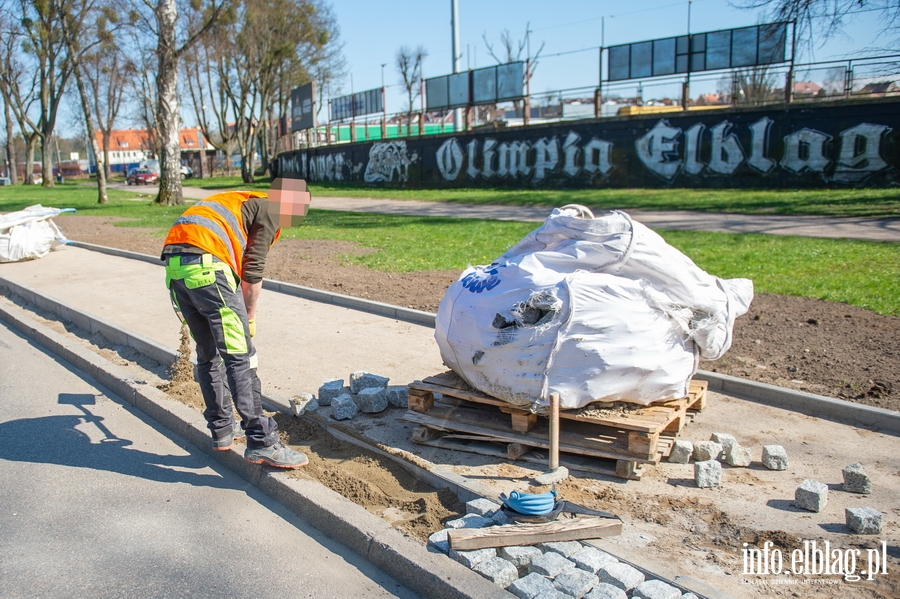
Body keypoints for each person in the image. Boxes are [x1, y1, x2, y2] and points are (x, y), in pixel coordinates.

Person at [161, 178, 312, 468]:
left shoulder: (242, 200)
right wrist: (250, 315)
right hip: (208, 268)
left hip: (176, 268)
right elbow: (252, 271)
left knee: (208, 354)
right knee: (241, 356)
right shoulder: (270, 210)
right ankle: (261, 442)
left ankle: (222, 429)